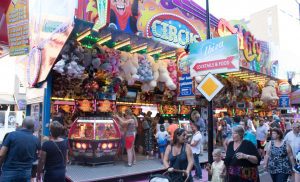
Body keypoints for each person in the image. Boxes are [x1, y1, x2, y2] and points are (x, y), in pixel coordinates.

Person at [0, 117, 41, 182]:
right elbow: (39, 156)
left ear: (22, 125)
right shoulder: (36, 140)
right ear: (33, 127)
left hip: (9, 171)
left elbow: (2, 154)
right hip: (26, 172)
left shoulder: (11, 135)